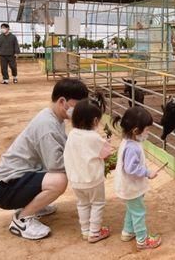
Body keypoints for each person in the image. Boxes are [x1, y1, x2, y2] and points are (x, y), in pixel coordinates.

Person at [0, 78, 89, 240]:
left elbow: (63, 150)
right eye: (77, 106)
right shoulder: (47, 126)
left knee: (57, 175)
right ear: (62, 101)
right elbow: (56, 164)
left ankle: (35, 205)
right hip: (4, 189)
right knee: (59, 180)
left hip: (16, 180)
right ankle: (22, 219)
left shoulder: (54, 117)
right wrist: (87, 162)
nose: (80, 111)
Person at [63, 95, 114, 243]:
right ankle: (94, 232)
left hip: (76, 180)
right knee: (97, 204)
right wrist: (107, 142)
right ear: (96, 121)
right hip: (93, 180)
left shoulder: (72, 134)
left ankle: (85, 231)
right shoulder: (93, 137)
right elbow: (105, 152)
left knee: (82, 204)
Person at [113, 107, 162, 250]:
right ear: (135, 131)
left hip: (129, 186)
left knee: (132, 209)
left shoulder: (128, 142)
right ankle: (142, 240)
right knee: (139, 212)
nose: (148, 133)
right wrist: (148, 172)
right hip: (131, 186)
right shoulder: (132, 147)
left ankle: (127, 232)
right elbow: (130, 168)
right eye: (147, 130)